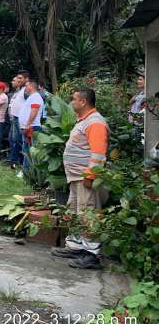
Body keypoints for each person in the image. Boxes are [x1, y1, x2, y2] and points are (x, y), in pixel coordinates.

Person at [50, 88, 109, 270]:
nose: (71, 102)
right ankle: (75, 246)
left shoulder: (95, 123)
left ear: (83, 102)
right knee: (75, 213)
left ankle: (92, 255)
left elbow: (99, 154)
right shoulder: (85, 121)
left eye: (74, 99)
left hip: (85, 178)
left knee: (88, 214)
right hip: (76, 177)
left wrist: (90, 176)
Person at [19, 78, 44, 172]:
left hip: (32, 127)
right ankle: (26, 171)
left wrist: (27, 125)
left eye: (26, 86)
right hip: (30, 127)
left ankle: (27, 171)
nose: (25, 88)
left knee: (29, 150)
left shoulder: (36, 97)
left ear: (31, 86)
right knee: (26, 149)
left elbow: (34, 111)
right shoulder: (32, 97)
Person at [6, 71, 28, 168]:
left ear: (26, 79)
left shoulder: (27, 89)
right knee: (14, 140)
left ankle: (21, 163)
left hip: (21, 120)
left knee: (19, 141)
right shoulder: (19, 90)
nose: (18, 80)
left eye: (20, 78)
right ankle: (15, 161)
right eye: (17, 78)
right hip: (14, 119)